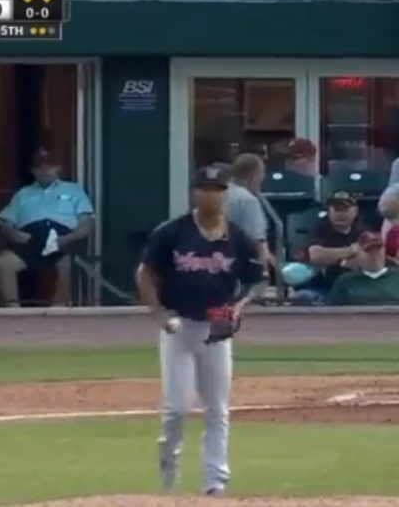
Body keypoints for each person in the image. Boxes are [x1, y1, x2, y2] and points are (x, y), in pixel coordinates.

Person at [135, 166, 263, 497]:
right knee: (176, 408)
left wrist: (238, 307)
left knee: (217, 409)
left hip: (217, 327)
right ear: (194, 193)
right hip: (179, 326)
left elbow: (253, 280)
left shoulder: (237, 237)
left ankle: (215, 482)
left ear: (226, 194)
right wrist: (157, 312)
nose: (211, 195)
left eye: (218, 189)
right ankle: (169, 464)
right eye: (205, 188)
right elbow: (146, 273)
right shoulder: (173, 232)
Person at [0, 149, 94, 307]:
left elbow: (86, 222)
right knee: (4, 262)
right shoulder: (23, 194)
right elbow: (6, 221)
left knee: (67, 264)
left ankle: (58, 312)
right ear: (33, 171)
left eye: (50, 166)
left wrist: (68, 238)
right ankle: (14, 312)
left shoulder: (74, 190)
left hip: (63, 239)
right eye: (40, 167)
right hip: (30, 240)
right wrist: (13, 233)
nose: (45, 170)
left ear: (58, 168)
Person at [293, 191, 365, 303]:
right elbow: (316, 256)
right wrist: (352, 250)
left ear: (355, 211)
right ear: (329, 211)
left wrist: (334, 258)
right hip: (323, 288)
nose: (340, 214)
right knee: (303, 296)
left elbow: (368, 259)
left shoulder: (362, 231)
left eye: (345, 209)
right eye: (336, 209)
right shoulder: (320, 229)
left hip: (356, 288)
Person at [329, 231, 399, 305]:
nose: (375, 256)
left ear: (384, 251)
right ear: (358, 254)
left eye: (378, 250)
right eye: (369, 251)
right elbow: (331, 314)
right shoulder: (345, 282)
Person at [225, 154, 274, 267]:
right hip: (239, 264)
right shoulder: (248, 200)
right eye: (262, 173)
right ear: (254, 175)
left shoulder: (218, 195)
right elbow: (258, 243)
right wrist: (277, 269)